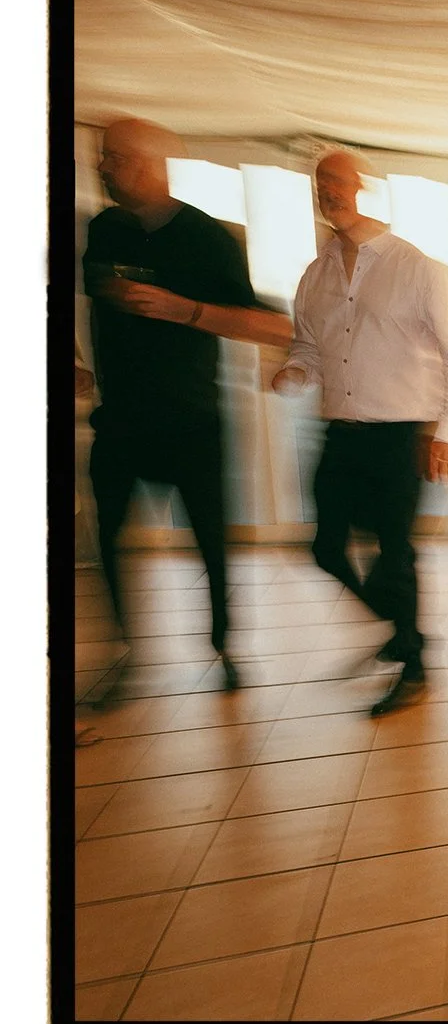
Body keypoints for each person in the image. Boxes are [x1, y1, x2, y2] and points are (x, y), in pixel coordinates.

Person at [81, 118, 294, 698]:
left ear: (148, 164)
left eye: (114, 157)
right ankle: (124, 648)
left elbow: (271, 326)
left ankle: (225, 645)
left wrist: (182, 309)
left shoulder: (206, 238)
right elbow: (84, 307)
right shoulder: (104, 230)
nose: (102, 166)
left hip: (192, 421)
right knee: (109, 534)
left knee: (211, 541)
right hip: (120, 418)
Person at [272, 149, 448, 717]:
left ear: (364, 188)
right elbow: (309, 347)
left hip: (400, 436)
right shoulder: (314, 275)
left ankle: (413, 666)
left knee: (394, 553)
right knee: (325, 548)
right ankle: (403, 633)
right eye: (320, 185)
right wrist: (297, 370)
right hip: (339, 435)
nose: (328, 193)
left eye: (338, 182)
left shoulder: (418, 267)